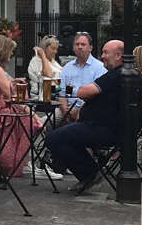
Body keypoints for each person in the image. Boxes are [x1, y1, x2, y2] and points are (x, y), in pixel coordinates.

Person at [45, 39, 125, 194]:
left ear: (118, 55)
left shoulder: (113, 74)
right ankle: (85, 173)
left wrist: (80, 101)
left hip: (99, 127)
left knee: (53, 138)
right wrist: (67, 106)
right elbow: (61, 89)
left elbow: (85, 92)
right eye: (77, 44)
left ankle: (89, 173)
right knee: (48, 125)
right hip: (72, 111)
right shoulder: (68, 67)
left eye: (105, 52)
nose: (102, 56)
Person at [0, 35, 42, 178]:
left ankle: (2, 167)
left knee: (23, 116)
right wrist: (33, 115)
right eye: (10, 51)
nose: (11, 54)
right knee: (27, 121)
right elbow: (13, 97)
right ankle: (18, 162)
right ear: (3, 51)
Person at [58, 32, 106, 122]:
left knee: (76, 127)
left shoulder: (99, 68)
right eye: (77, 44)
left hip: (88, 109)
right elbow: (62, 92)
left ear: (90, 48)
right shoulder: (67, 67)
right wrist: (65, 110)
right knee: (44, 123)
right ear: (73, 47)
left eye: (83, 44)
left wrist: (77, 109)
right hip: (65, 109)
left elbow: (96, 95)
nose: (80, 47)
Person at [27, 35, 62, 99]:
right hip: (40, 97)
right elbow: (48, 75)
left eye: (56, 49)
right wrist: (43, 55)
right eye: (53, 48)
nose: (55, 52)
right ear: (44, 48)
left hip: (55, 95)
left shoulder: (53, 61)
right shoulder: (36, 61)